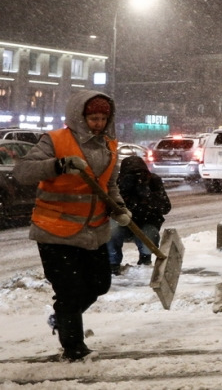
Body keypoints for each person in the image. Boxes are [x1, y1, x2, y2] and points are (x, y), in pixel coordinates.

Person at [13, 91, 131, 362]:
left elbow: (109, 185)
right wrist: (59, 165)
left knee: (99, 285)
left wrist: (119, 207)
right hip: (55, 230)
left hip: (94, 231)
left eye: (103, 118)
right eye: (92, 118)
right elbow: (23, 172)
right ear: (80, 116)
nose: (98, 123)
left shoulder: (110, 145)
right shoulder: (55, 141)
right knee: (69, 290)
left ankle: (63, 316)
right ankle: (74, 348)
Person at [107, 155, 171, 275]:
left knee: (150, 235)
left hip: (147, 221)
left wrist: (148, 194)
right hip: (123, 222)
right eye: (132, 174)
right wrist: (123, 190)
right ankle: (112, 264)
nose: (137, 177)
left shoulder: (153, 181)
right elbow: (109, 205)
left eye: (140, 173)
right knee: (111, 231)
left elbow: (165, 207)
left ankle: (145, 260)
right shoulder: (117, 183)